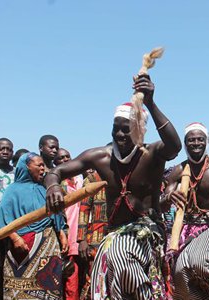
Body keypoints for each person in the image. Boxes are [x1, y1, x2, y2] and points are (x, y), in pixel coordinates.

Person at [44, 74, 182, 299]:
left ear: (139, 130)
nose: (119, 134)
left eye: (126, 129)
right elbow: (56, 171)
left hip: (148, 232)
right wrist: (53, 187)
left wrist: (150, 104)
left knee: (122, 255)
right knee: (111, 273)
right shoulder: (99, 157)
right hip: (115, 233)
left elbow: (175, 146)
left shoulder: (152, 155)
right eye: (115, 128)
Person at [163, 122, 209, 299]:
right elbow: (162, 203)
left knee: (199, 263)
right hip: (183, 227)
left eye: (200, 139)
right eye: (191, 140)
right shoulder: (178, 170)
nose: (196, 143)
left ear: (207, 141)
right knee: (178, 271)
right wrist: (169, 197)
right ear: (185, 144)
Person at [0, 153, 68, 300]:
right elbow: (3, 218)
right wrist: (15, 238)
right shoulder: (12, 191)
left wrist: (61, 233)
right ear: (26, 167)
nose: (43, 168)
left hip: (48, 245)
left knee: (48, 287)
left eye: (43, 165)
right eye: (39, 165)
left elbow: (54, 213)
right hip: (22, 247)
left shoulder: (43, 189)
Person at [55, 148, 84, 300]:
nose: (65, 160)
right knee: (65, 277)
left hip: (80, 236)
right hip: (65, 235)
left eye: (68, 157)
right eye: (61, 158)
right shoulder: (57, 185)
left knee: (76, 278)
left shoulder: (80, 180)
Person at [77, 170, 108, 300]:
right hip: (97, 235)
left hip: (120, 234)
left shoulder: (126, 177)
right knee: (94, 276)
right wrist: (81, 239)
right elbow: (84, 209)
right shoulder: (92, 179)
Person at [0, 138, 14, 299]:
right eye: (1, 149)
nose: (5, 151)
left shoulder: (16, 173)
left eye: (8, 149)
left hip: (11, 225)